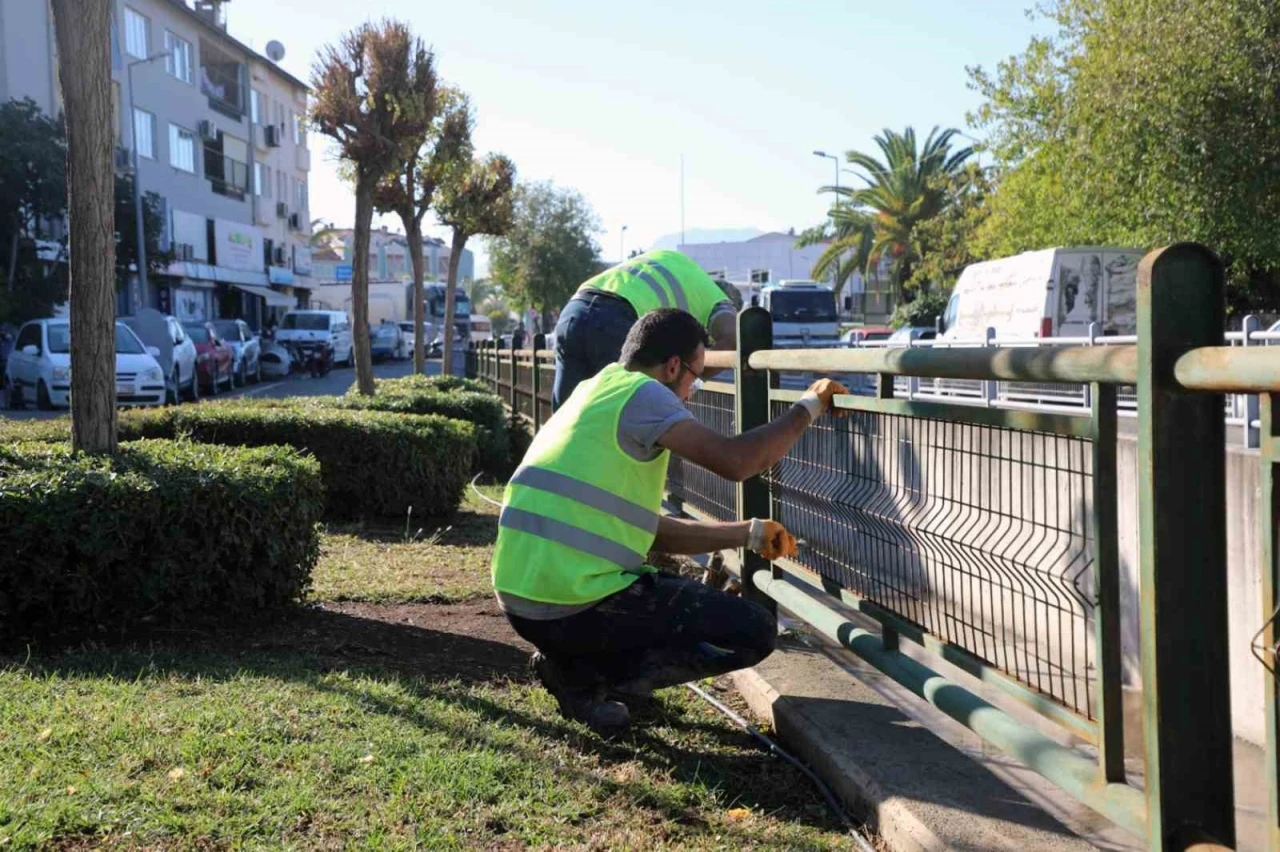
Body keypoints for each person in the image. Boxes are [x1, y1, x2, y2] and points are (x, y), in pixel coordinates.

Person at [492, 308, 848, 736]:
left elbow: (642, 528)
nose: (692, 395)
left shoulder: (597, 388)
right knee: (752, 631)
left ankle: (572, 663)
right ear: (673, 366)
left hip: (522, 599)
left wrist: (747, 532)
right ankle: (583, 679)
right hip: (571, 603)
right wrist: (810, 404)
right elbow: (738, 461)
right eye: (695, 379)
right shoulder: (646, 394)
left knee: (674, 603)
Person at [552, 249, 737, 410]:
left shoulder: (676, 262)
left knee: (566, 415)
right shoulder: (718, 300)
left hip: (574, 310)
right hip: (617, 317)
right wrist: (693, 382)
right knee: (627, 418)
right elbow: (731, 340)